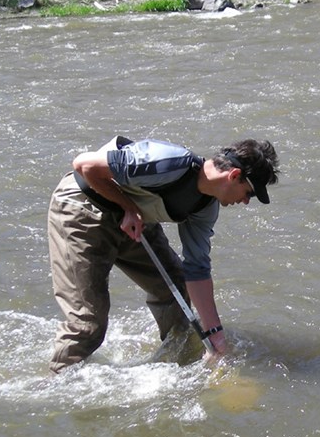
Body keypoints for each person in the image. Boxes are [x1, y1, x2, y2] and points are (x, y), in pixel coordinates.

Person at [47, 136, 279, 373]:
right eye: (248, 192)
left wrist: (215, 338)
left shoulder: (206, 208)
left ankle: (175, 367)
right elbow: (84, 165)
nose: (246, 202)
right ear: (233, 176)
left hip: (134, 219)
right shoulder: (168, 162)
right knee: (89, 322)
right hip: (82, 209)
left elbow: (197, 269)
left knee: (175, 289)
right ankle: (57, 384)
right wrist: (127, 207)